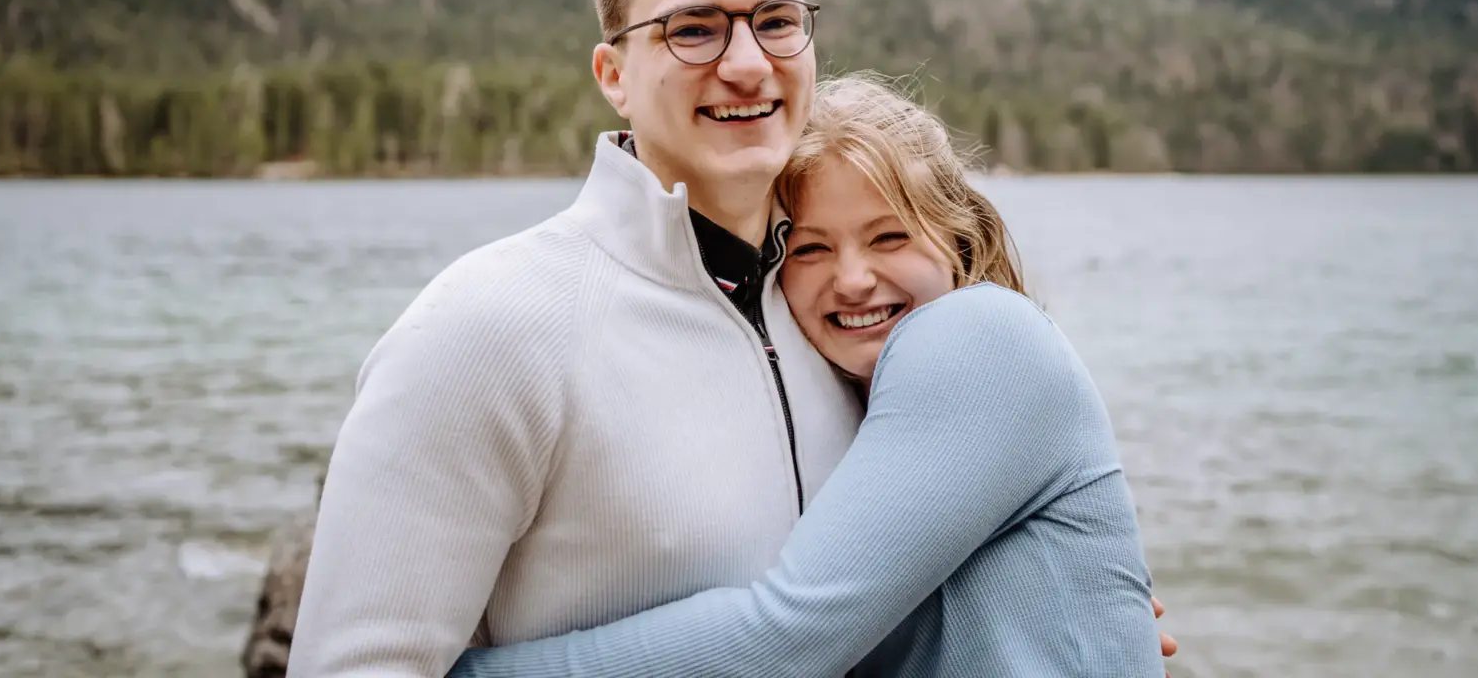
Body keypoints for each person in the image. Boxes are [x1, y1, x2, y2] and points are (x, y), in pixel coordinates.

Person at [286, 0, 1176, 676]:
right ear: (614, 76)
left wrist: (1069, 612)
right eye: (693, 29)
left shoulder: (847, 333)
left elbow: (857, 607)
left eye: (776, 21)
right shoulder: (489, 326)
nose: (746, 62)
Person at [441, 73, 1164, 677]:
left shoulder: (975, 334)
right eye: (811, 249)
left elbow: (787, 635)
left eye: (890, 236)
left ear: (958, 236)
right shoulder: (840, 412)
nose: (853, 279)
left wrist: (464, 671)